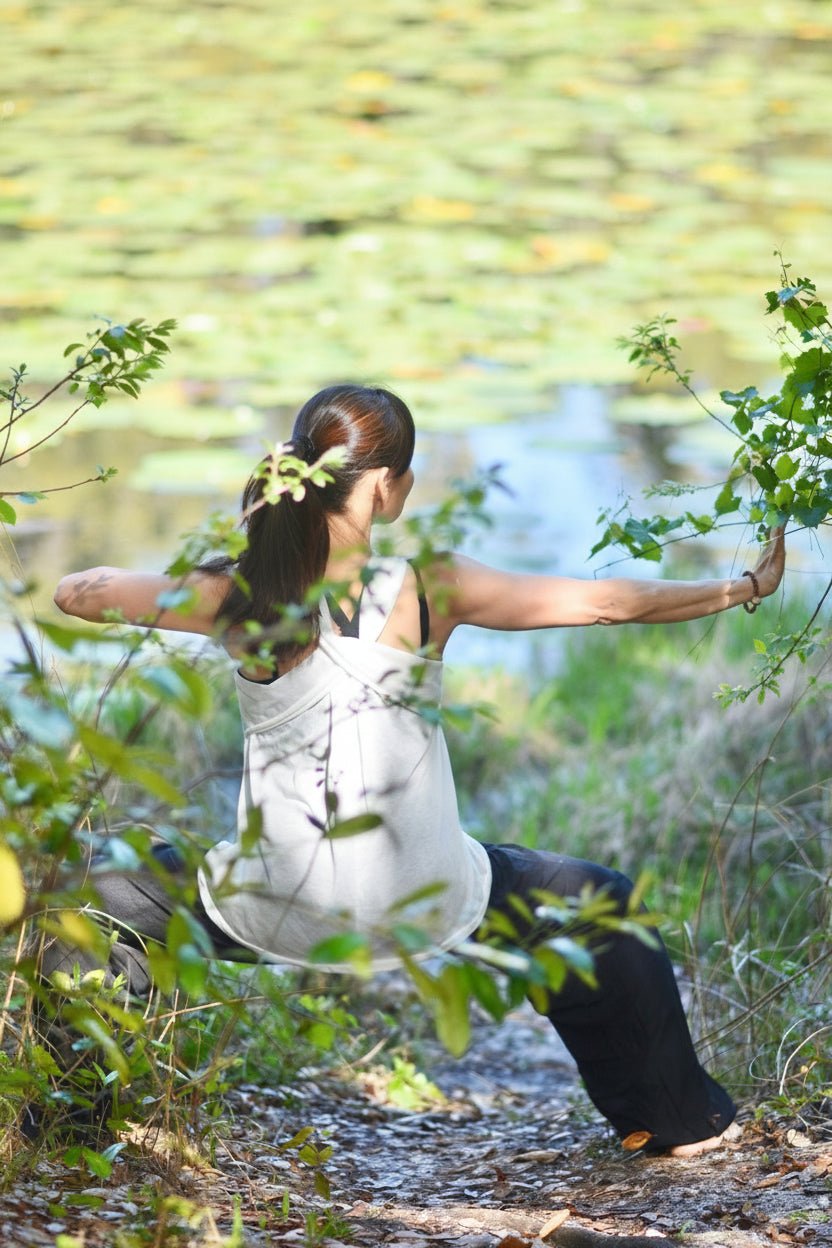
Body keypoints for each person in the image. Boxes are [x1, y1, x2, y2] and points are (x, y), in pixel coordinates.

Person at [50, 383, 786, 1156]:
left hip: (275, 901)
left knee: (94, 891)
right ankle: (672, 1124)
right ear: (383, 485)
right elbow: (607, 602)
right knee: (600, 904)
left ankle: (69, 1124)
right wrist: (741, 587)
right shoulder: (431, 586)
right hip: (423, 898)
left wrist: (203, 574)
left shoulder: (240, 595)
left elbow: (78, 593)